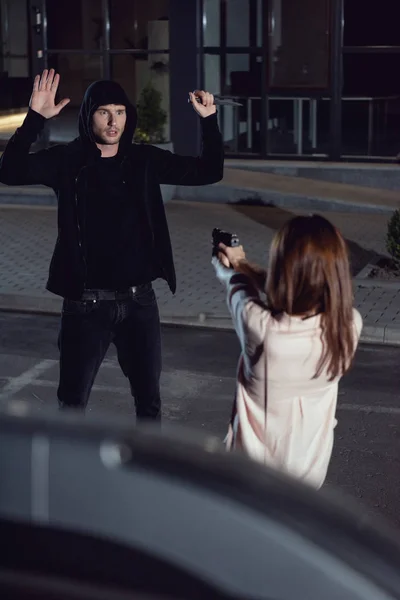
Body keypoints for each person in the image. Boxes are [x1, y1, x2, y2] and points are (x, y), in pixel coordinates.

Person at [0, 69, 224, 420]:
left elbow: (209, 171)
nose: (113, 120)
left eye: (120, 112)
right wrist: (34, 119)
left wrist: (208, 121)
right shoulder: (67, 160)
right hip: (85, 305)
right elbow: (9, 172)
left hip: (139, 302)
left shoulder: (144, 161)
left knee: (149, 403)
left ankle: (146, 472)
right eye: (104, 112)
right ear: (89, 114)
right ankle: (70, 474)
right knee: (72, 405)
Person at [212, 215, 363, 489]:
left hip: (253, 481)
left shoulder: (261, 328)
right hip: (308, 480)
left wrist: (230, 265)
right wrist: (243, 264)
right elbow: (293, 291)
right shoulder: (349, 326)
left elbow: (237, 286)